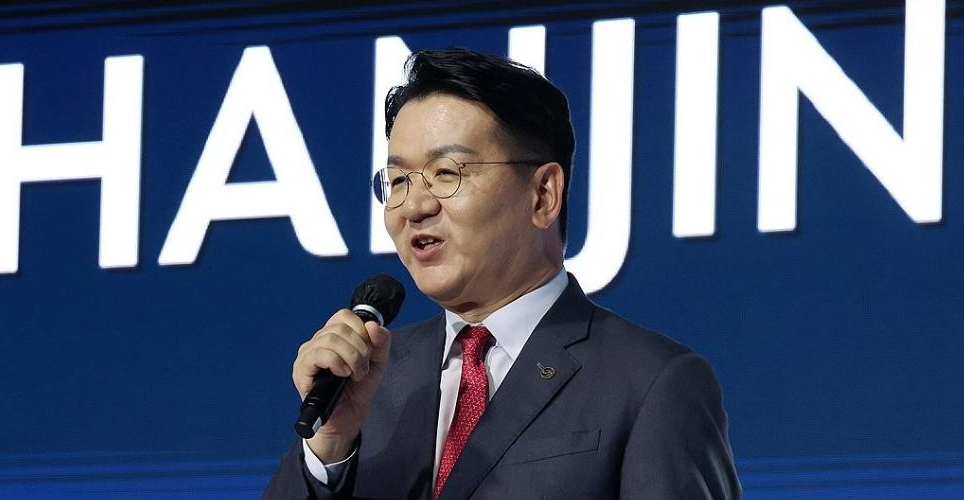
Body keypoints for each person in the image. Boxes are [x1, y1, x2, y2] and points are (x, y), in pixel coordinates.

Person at [264, 47, 740, 499]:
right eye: (399, 180)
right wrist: (330, 448)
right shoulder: (367, 378)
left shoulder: (653, 383)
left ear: (543, 195)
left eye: (447, 173)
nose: (414, 206)